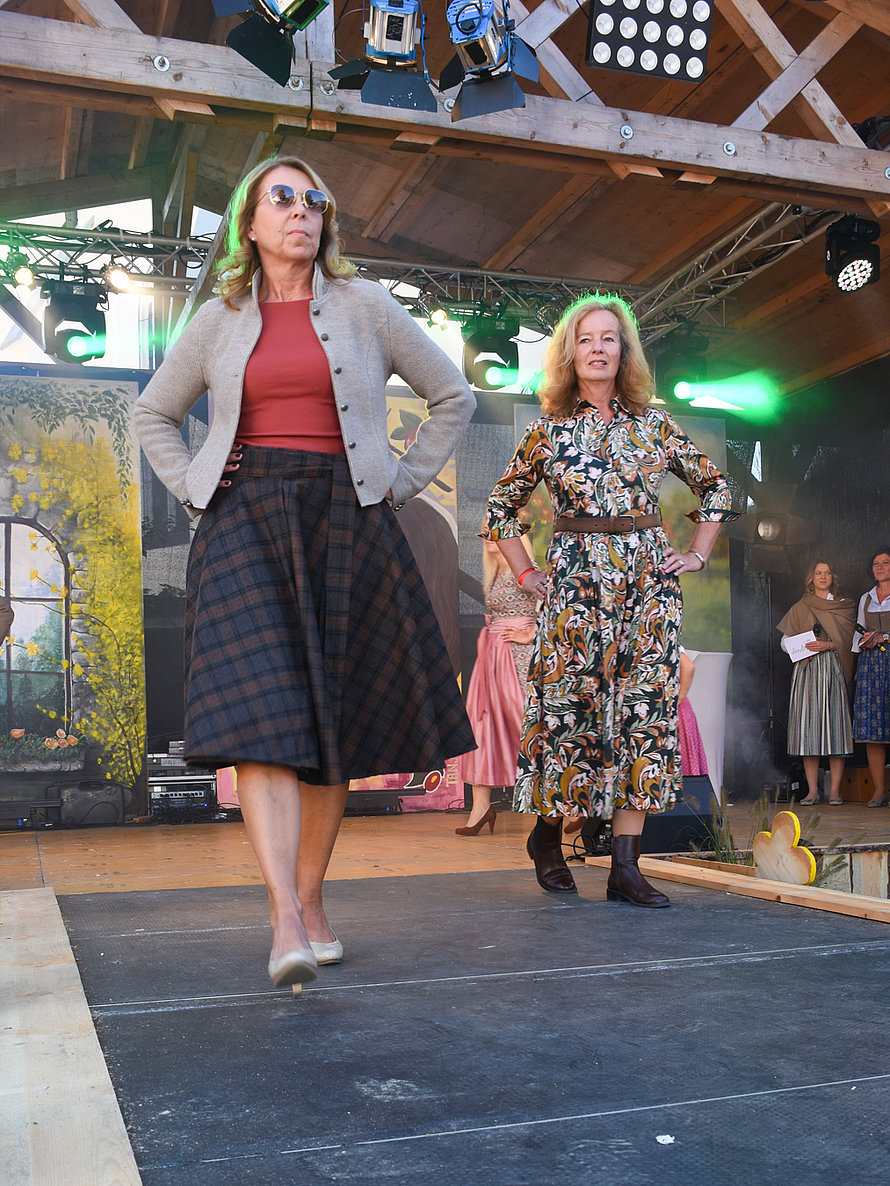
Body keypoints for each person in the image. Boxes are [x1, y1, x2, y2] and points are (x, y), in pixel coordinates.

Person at [135, 156, 476, 988]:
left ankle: (313, 900)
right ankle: (284, 915)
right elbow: (153, 411)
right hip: (244, 520)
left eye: (314, 199)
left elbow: (453, 395)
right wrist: (195, 484)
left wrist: (398, 483)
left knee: (333, 725)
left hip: (347, 520)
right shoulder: (217, 318)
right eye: (281, 198)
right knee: (261, 717)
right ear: (249, 224)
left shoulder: (367, 305)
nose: (301, 211)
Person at [483, 293, 735, 907]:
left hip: (649, 587)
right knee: (570, 716)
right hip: (575, 584)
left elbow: (716, 487)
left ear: (625, 351)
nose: (597, 349)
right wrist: (528, 572)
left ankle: (625, 865)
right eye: (586, 339)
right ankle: (547, 837)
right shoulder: (547, 429)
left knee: (643, 717)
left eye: (609, 338)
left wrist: (697, 554)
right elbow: (501, 508)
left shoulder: (654, 425)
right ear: (570, 352)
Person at [455, 538, 537, 836]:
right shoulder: (495, 571)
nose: (489, 537)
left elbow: (556, 601)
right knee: (483, 728)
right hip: (492, 657)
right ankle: (480, 808)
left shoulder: (526, 568)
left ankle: (567, 802)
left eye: (495, 531)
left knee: (526, 724)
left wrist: (532, 633)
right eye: (485, 532)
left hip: (517, 657)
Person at [776, 560, 856, 806]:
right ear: (811, 578)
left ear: (833, 577)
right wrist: (801, 646)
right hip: (807, 670)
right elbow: (784, 641)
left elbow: (851, 641)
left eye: (827, 573)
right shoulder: (801, 607)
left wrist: (828, 644)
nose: (823, 577)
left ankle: (835, 791)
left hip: (832, 668)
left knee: (836, 728)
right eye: (819, 573)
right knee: (808, 730)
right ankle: (812, 791)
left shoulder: (843, 606)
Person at [852, 547, 890, 808]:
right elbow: (857, 635)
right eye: (876, 563)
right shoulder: (866, 598)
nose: (880, 567)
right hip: (871, 666)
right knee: (873, 729)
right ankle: (878, 791)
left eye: (885, 563)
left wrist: (883, 637)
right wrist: (864, 639)